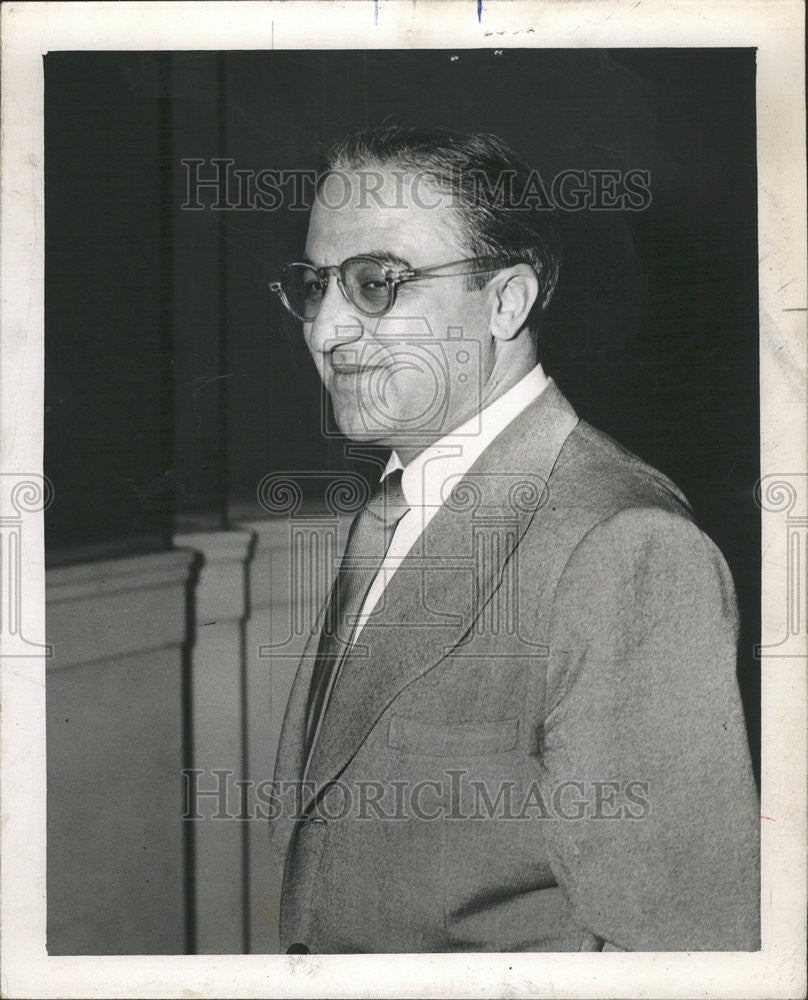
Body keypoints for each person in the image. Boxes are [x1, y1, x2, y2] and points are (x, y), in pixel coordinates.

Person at [268, 125, 759, 953]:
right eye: (315, 286)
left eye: (377, 283)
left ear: (506, 302)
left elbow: (686, 943)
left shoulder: (626, 547)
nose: (325, 329)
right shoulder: (399, 501)